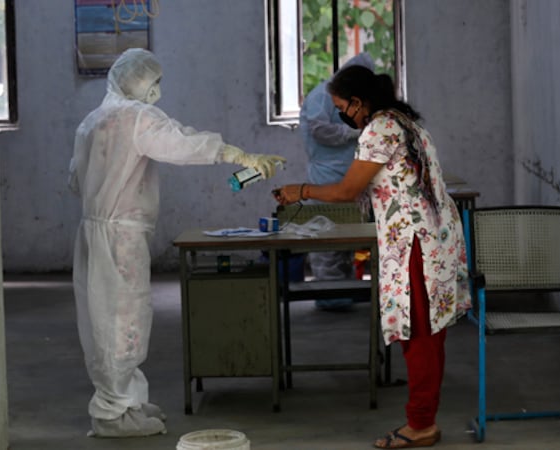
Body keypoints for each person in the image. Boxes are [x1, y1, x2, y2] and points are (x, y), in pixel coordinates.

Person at [67, 48, 285, 438]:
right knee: (122, 321)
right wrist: (237, 155)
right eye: (154, 82)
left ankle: (126, 401)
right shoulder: (136, 117)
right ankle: (112, 414)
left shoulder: (91, 121)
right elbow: (181, 143)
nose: (157, 90)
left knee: (104, 320)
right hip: (120, 235)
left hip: (93, 231)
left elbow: (74, 182)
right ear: (136, 82)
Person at [273, 65, 470, 448]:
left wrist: (301, 191)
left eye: (341, 108)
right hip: (434, 239)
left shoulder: (380, 128)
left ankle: (421, 425)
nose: (341, 116)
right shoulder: (407, 123)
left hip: (415, 244)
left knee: (420, 335)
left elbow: (347, 191)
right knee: (429, 334)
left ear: (358, 102)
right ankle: (424, 417)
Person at [299, 52, 375, 311]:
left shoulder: (358, 102)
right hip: (327, 177)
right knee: (328, 239)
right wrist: (351, 132)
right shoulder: (322, 96)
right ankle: (331, 296)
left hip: (352, 175)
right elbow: (319, 130)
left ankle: (345, 292)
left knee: (348, 239)